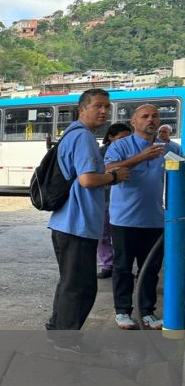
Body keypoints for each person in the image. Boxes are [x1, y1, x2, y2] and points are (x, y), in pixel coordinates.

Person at [45, 89, 130, 356]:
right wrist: (115, 177)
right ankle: (66, 339)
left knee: (70, 282)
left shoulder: (73, 134)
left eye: (107, 106)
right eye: (98, 106)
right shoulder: (82, 137)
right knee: (81, 286)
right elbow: (87, 180)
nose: (104, 111)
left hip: (67, 222)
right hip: (76, 223)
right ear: (83, 109)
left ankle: (57, 329)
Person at [105, 104, 165, 331]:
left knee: (150, 269)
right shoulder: (121, 145)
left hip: (154, 220)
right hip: (124, 220)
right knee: (122, 268)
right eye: (145, 116)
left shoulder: (167, 147)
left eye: (155, 116)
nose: (151, 120)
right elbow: (107, 168)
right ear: (134, 122)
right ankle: (122, 311)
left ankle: (147, 312)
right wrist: (140, 157)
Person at [96, 123, 132, 280]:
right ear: (110, 137)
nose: (125, 141)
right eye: (121, 138)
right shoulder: (100, 153)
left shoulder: (132, 152)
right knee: (103, 235)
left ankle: (124, 264)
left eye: (128, 138)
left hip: (126, 201)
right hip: (104, 199)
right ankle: (107, 264)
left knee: (124, 236)